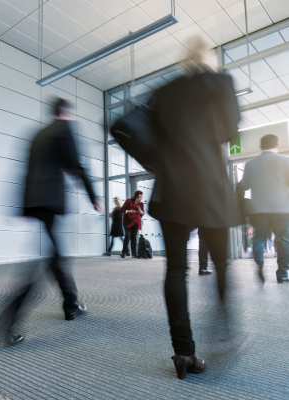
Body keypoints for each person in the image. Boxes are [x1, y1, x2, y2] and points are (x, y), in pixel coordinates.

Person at [148, 35, 242, 379]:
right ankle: (223, 332)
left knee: (175, 271)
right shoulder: (220, 81)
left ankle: (183, 353)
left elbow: (150, 137)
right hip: (208, 186)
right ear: (209, 57)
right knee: (221, 264)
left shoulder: (163, 91)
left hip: (172, 188)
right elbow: (230, 132)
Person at [0, 97, 104, 345]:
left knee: (56, 257)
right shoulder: (63, 129)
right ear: (65, 113)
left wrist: (21, 207)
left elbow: (26, 171)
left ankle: (71, 304)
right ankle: (5, 324)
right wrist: (94, 197)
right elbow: (76, 165)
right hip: (50, 202)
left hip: (36, 203)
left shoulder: (38, 134)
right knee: (41, 265)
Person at [236, 134, 289, 284]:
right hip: (282, 208)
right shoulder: (285, 161)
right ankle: (282, 274)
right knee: (284, 239)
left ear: (260, 147)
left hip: (258, 209)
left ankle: (259, 262)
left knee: (259, 237)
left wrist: (240, 204)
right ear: (278, 145)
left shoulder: (251, 164)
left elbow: (242, 186)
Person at [121, 191, 145, 258]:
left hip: (136, 222)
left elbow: (142, 214)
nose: (140, 198)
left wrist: (140, 210)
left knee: (134, 237)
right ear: (135, 196)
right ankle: (124, 252)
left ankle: (134, 253)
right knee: (128, 235)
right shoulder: (129, 201)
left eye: (141, 197)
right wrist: (128, 211)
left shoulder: (141, 204)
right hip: (127, 221)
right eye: (139, 197)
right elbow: (122, 209)